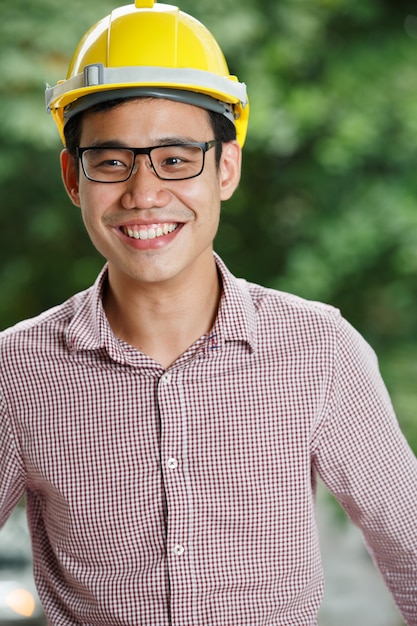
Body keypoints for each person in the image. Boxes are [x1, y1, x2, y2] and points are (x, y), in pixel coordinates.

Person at [1, 0, 416, 624]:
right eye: (112, 162)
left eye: (176, 159)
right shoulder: (14, 373)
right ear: (72, 177)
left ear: (226, 167)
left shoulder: (321, 350)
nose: (143, 193)